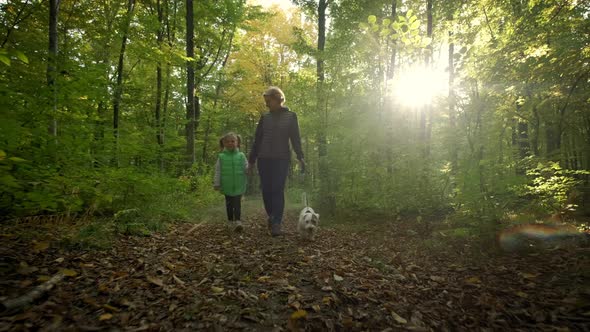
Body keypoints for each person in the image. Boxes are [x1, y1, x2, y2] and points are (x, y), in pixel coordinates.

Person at [248, 86, 305, 236]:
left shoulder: (291, 116)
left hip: (282, 159)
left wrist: (300, 156)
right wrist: (251, 160)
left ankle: (276, 223)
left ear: (278, 99)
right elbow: (257, 140)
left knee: (277, 190)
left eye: (269, 101)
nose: (266, 104)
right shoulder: (264, 118)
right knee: (266, 190)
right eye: (265, 101)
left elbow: (295, 138)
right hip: (264, 159)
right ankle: (272, 216)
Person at [213, 132, 248, 232]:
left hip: (239, 183)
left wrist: (248, 169)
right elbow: (218, 171)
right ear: (223, 143)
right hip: (226, 184)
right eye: (227, 142)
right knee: (229, 204)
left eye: (233, 141)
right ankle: (230, 221)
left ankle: (237, 221)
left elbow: (246, 167)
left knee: (237, 203)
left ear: (237, 142)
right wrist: (216, 183)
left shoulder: (241, 155)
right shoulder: (221, 157)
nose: (230, 143)